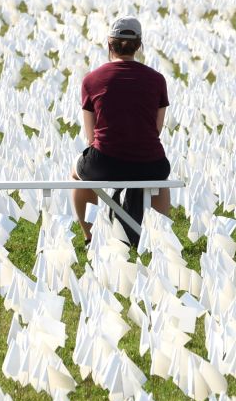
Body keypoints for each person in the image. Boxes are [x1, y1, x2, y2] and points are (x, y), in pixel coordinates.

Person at [71, 16, 172, 249]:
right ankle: (162, 239)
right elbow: (155, 130)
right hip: (150, 163)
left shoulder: (91, 80)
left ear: (109, 44)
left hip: (105, 163)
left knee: (77, 174)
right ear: (139, 45)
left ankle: (90, 236)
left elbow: (91, 137)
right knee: (161, 179)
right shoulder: (157, 80)